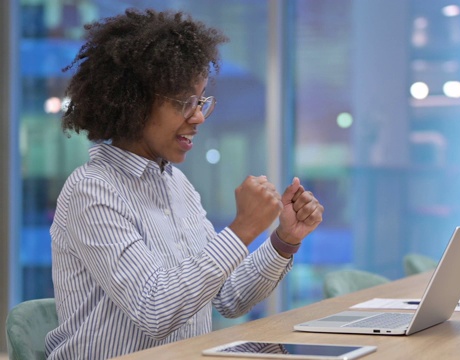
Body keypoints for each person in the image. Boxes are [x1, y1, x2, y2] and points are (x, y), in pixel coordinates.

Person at [45, 8, 324, 359]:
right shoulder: (93, 189)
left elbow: (230, 296)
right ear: (134, 101)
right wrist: (242, 229)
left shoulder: (177, 185)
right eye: (185, 103)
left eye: (201, 101)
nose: (198, 117)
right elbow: (154, 309)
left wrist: (284, 240)